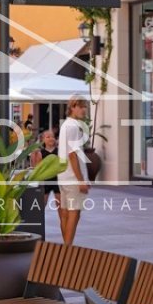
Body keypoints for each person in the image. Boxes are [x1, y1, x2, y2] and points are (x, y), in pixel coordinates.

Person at [56, 95, 91, 248]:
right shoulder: (73, 127)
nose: (84, 110)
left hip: (63, 176)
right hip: (72, 178)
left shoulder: (66, 125)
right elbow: (72, 154)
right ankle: (68, 249)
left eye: (85, 107)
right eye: (81, 106)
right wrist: (81, 180)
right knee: (74, 212)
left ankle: (66, 247)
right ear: (72, 107)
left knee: (65, 212)